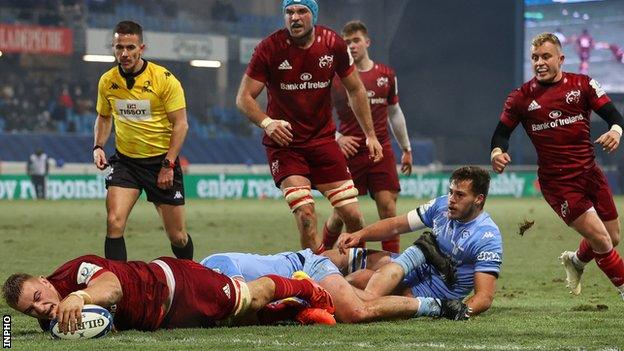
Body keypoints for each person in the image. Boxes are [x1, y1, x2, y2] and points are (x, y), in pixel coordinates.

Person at [236, 0, 383, 253]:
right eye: (289, 11)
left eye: (302, 11)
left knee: (355, 219)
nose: (295, 17)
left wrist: (371, 135)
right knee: (306, 216)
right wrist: (267, 123)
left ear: (313, 15)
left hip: (323, 143)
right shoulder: (269, 48)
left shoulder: (332, 43)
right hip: (286, 146)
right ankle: (312, 282)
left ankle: (353, 276)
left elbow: (356, 89)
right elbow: (244, 98)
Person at [490, 32, 624, 299]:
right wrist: (496, 152)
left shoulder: (582, 84)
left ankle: (575, 261)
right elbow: (501, 134)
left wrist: (616, 131)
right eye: (535, 57)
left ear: (560, 58)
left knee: (613, 237)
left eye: (546, 56)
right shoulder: (521, 97)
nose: (539, 62)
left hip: (590, 174)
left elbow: (613, 115)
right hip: (559, 183)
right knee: (601, 239)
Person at [2, 255, 335, 333]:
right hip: (164, 320)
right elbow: (7, 334)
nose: (42, 308)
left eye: (37, 297)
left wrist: (81, 297)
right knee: (233, 322)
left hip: (174, 284)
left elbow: (112, 287)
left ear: (45, 280)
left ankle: (308, 287)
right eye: (31, 311)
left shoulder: (76, 272)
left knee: (249, 298)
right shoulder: (53, 323)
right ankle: (293, 310)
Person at [337, 166, 503, 318]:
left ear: (478, 199)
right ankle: (320, 291)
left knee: (358, 281)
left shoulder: (487, 236)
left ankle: (324, 301)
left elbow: (484, 296)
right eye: (451, 192)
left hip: (430, 292)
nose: (451, 199)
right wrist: (360, 235)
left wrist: (459, 310)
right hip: (415, 268)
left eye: (460, 195)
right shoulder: (442, 205)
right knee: (337, 258)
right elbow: (396, 225)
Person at [93, 21, 192, 261]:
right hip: (126, 163)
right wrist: (98, 146)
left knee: (177, 236)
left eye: (130, 47)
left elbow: (181, 124)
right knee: (114, 222)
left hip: (161, 163)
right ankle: (117, 287)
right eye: (119, 47)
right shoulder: (107, 81)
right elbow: (104, 117)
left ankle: (192, 281)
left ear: (142, 48)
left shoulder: (164, 79)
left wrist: (168, 164)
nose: (124, 54)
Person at [323, 20, 412, 254]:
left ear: (367, 42)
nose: (352, 46)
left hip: (380, 149)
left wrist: (406, 148)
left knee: (388, 208)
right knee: (341, 215)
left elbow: (395, 113)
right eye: (347, 42)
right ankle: (321, 252)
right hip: (350, 152)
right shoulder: (336, 79)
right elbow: (318, 112)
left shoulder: (386, 75)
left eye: (356, 40)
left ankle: (393, 262)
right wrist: (338, 136)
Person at [201, 247, 470, 323]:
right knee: (364, 293)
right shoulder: (207, 284)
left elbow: (247, 306)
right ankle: (416, 256)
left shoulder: (217, 265)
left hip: (306, 269)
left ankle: (438, 307)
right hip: (297, 285)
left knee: (356, 311)